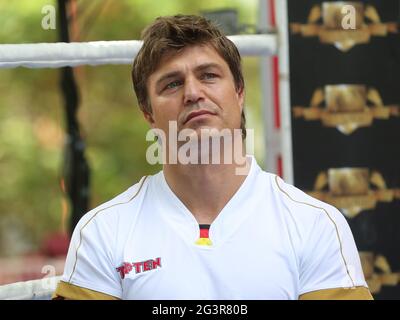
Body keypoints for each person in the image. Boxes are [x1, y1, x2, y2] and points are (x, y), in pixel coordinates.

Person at [53, 14, 373, 300]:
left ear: (239, 92)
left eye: (208, 75)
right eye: (172, 83)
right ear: (148, 113)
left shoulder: (314, 224)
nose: (193, 93)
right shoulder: (103, 231)